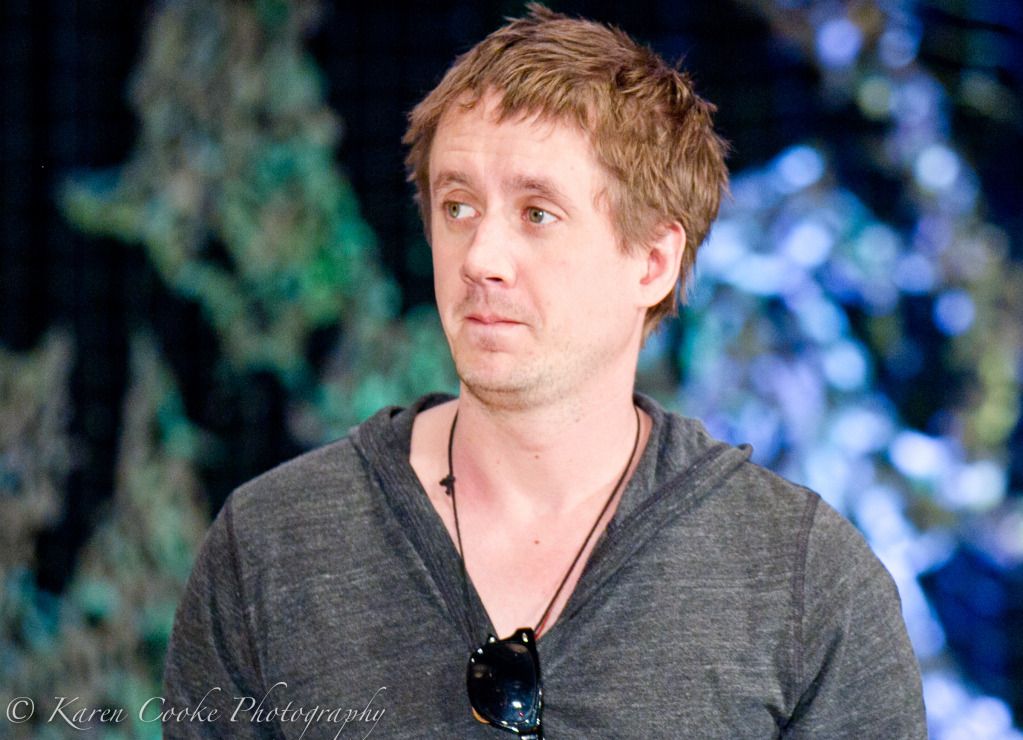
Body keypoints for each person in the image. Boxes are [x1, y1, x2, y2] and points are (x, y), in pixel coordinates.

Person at [163, 5, 926, 738]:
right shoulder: (269, 546)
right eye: (457, 207)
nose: (481, 258)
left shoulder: (804, 580)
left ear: (652, 261)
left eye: (537, 213)